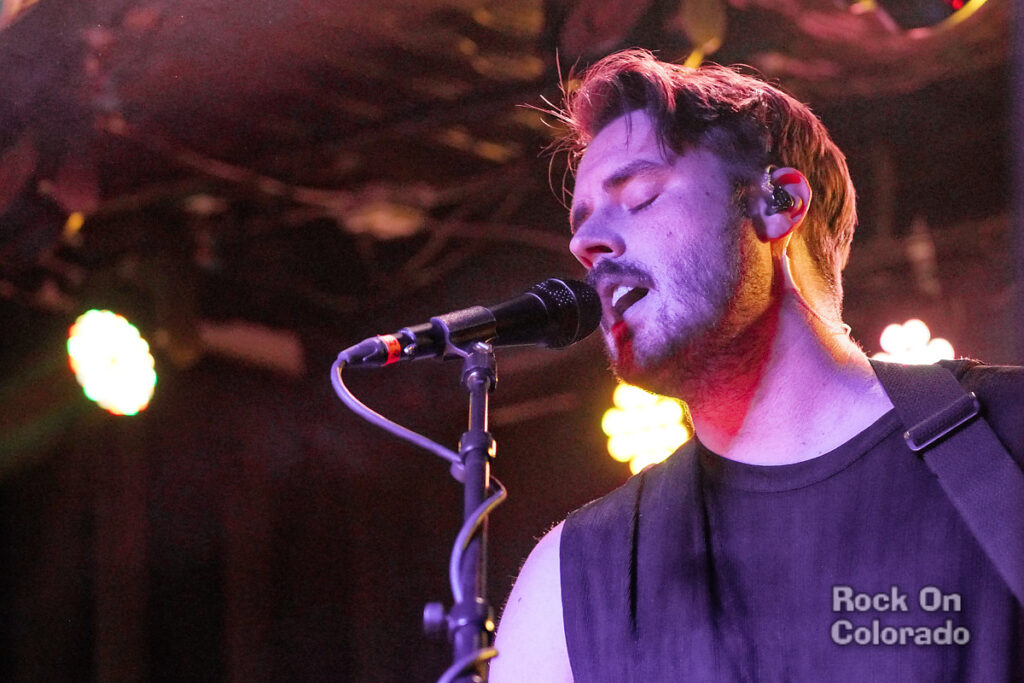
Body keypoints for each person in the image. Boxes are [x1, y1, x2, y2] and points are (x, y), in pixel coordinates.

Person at [489, 49, 1024, 681]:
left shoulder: (1006, 439)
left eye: (640, 194)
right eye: (580, 226)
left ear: (777, 201)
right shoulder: (569, 579)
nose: (584, 244)